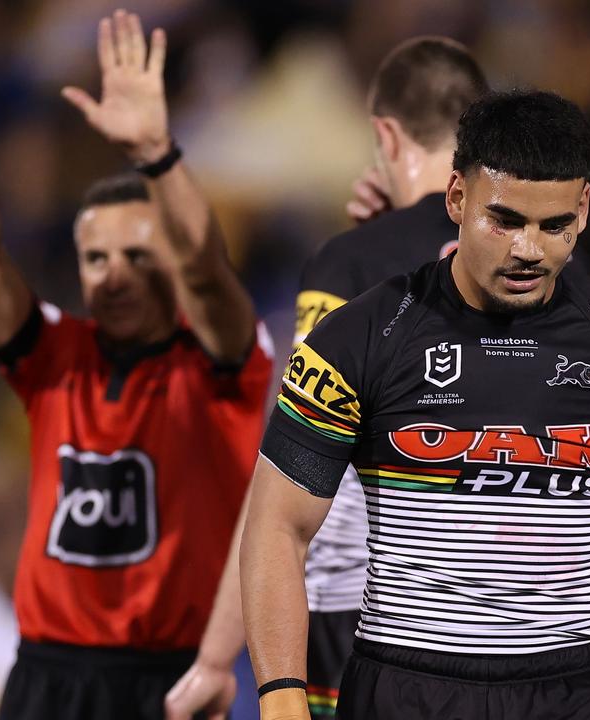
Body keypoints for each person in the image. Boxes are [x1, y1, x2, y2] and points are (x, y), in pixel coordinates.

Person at [241, 90, 590, 720]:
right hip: (408, 692)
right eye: (506, 220)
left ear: (584, 208)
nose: (529, 249)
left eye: (554, 226)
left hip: (577, 694)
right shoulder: (356, 340)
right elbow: (277, 528)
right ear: (456, 199)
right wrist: (281, 700)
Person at [0, 3, 272, 718]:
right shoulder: (56, 357)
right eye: (97, 258)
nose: (115, 275)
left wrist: (158, 155)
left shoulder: (224, 363)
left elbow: (204, 269)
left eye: (139, 255)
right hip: (49, 672)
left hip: (172, 675)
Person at [163, 38, 488, 720]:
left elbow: (295, 472)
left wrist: (217, 659)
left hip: (367, 626)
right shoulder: (549, 270)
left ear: (386, 136)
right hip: (521, 632)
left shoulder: (347, 268)